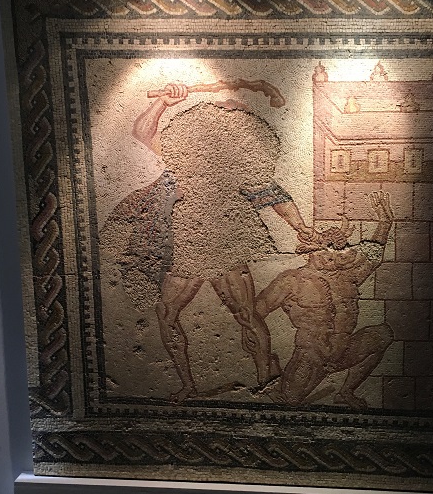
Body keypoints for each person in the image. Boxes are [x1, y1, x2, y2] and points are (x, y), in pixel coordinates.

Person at [130, 83, 317, 402]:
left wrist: (301, 227)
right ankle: (191, 385)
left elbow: (273, 195)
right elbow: (142, 132)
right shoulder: (184, 154)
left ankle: (267, 377)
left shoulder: (241, 164)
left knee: (245, 313)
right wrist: (162, 102)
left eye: (231, 107)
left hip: (225, 242)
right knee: (168, 312)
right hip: (190, 244)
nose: (225, 106)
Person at [254, 191, 395, 409]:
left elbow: (373, 256)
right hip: (311, 357)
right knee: (289, 403)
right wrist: (265, 362)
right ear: (313, 250)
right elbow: (253, 315)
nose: (337, 254)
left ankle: (346, 392)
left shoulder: (347, 277)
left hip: (343, 352)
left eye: (340, 249)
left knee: (383, 335)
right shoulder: (292, 280)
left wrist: (384, 224)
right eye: (331, 247)